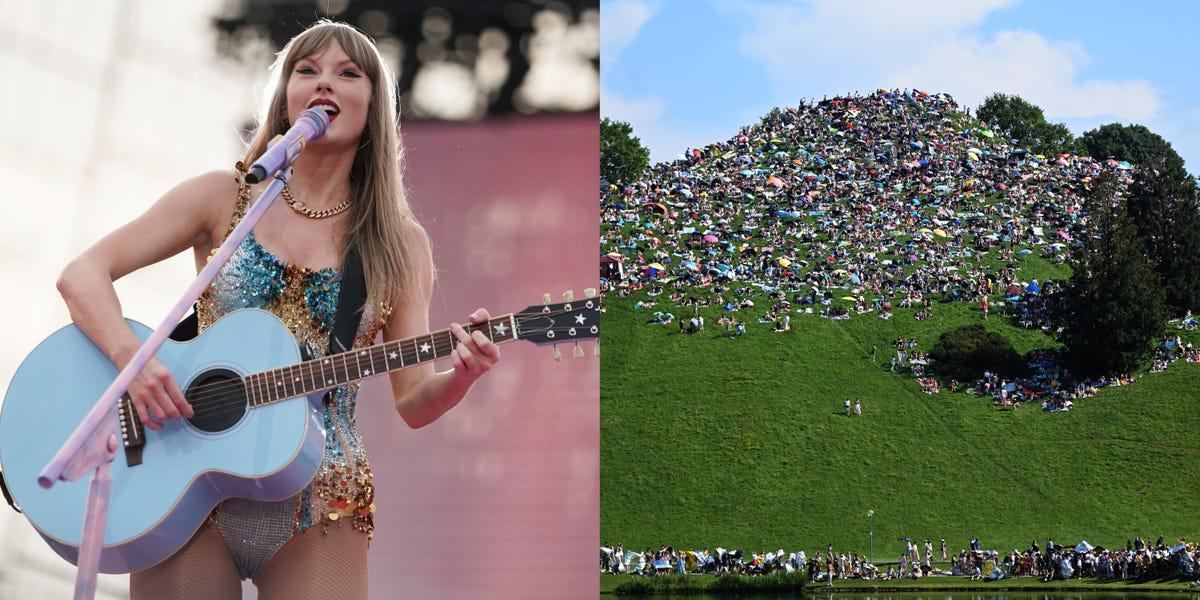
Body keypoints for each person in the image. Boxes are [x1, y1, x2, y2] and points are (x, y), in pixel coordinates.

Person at [54, 21, 499, 599]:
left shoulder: (397, 242)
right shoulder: (225, 197)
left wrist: (462, 375)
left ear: (373, 107)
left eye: (347, 73)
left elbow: (413, 400)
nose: (323, 85)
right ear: (286, 96)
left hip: (322, 498)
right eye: (306, 71)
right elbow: (81, 275)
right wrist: (133, 362)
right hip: (189, 482)